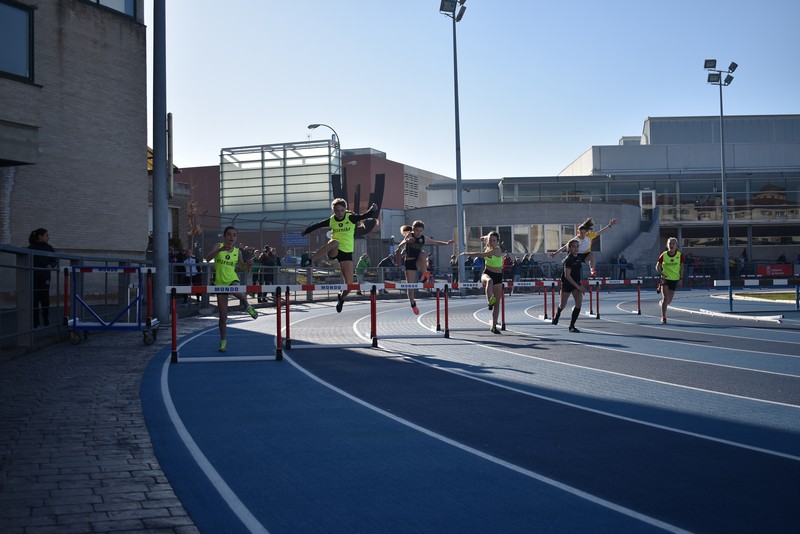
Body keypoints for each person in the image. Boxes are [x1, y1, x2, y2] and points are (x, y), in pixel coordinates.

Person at [301, 198, 378, 312]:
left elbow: (363, 216)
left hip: (346, 253)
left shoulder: (350, 218)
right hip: (334, 249)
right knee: (334, 242)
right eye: (337, 211)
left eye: (342, 210)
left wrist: (372, 210)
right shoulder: (332, 220)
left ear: (345, 209)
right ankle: (310, 260)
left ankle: (341, 298)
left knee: (350, 285)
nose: (339, 213)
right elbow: (318, 225)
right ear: (333, 211)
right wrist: (306, 231)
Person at [205, 226, 258, 352]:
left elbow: (241, 268)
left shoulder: (237, 251)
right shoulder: (218, 246)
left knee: (237, 291)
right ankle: (223, 341)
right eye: (229, 235)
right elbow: (207, 259)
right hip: (220, 283)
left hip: (232, 279)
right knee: (223, 316)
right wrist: (220, 250)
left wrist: (248, 264)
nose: (232, 237)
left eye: (234, 235)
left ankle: (247, 305)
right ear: (224, 236)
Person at [396, 220, 453, 314]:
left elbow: (435, 242)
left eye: (420, 231)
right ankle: (412, 303)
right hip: (409, 262)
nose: (418, 233)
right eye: (417, 231)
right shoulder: (410, 235)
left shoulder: (423, 238)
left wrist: (446, 243)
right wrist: (406, 241)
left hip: (418, 261)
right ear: (413, 230)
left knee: (422, 253)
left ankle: (424, 275)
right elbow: (399, 246)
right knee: (410, 287)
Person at [460, 231, 504, 334]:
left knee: (497, 304)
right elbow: (484, 238)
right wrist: (483, 238)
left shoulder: (497, 250)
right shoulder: (488, 242)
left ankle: (493, 326)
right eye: (490, 240)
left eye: (494, 240)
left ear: (497, 242)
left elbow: (482, 254)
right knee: (489, 281)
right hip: (487, 272)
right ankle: (489, 301)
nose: (491, 242)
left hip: (498, 276)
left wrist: (468, 253)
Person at [549, 217, 617, 277]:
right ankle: (567, 270)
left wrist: (609, 225)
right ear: (579, 232)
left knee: (592, 255)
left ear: (586, 232)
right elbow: (564, 247)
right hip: (576, 255)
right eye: (581, 233)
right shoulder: (576, 239)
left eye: (584, 233)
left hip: (585, 255)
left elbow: (600, 232)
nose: (582, 234)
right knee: (572, 258)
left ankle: (592, 271)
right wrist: (555, 253)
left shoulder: (590, 235)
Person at [551, 239, 586, 333]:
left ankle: (572, 326)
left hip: (577, 284)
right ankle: (557, 314)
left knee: (578, 305)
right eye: (574, 246)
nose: (576, 248)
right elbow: (567, 275)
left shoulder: (578, 258)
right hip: (567, 283)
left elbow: (578, 273)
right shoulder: (568, 260)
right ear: (569, 248)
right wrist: (578, 287)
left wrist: (580, 285)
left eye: (577, 246)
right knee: (562, 305)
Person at [28, 228, 57, 328]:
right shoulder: (31, 247)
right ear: (40, 236)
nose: (48, 237)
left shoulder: (49, 248)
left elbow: (54, 260)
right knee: (34, 299)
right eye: (46, 235)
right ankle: (35, 322)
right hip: (34, 276)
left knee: (44, 299)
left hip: (44, 277)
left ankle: (45, 320)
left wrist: (51, 265)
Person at [655, 237, 684, 324]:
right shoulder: (663, 255)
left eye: (673, 244)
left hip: (674, 279)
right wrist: (661, 273)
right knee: (665, 297)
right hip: (665, 279)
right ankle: (663, 317)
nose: (671, 245)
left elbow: (682, 267)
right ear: (667, 245)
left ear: (676, 245)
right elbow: (657, 266)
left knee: (669, 301)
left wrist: (681, 279)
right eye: (670, 244)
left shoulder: (680, 255)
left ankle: (663, 303)